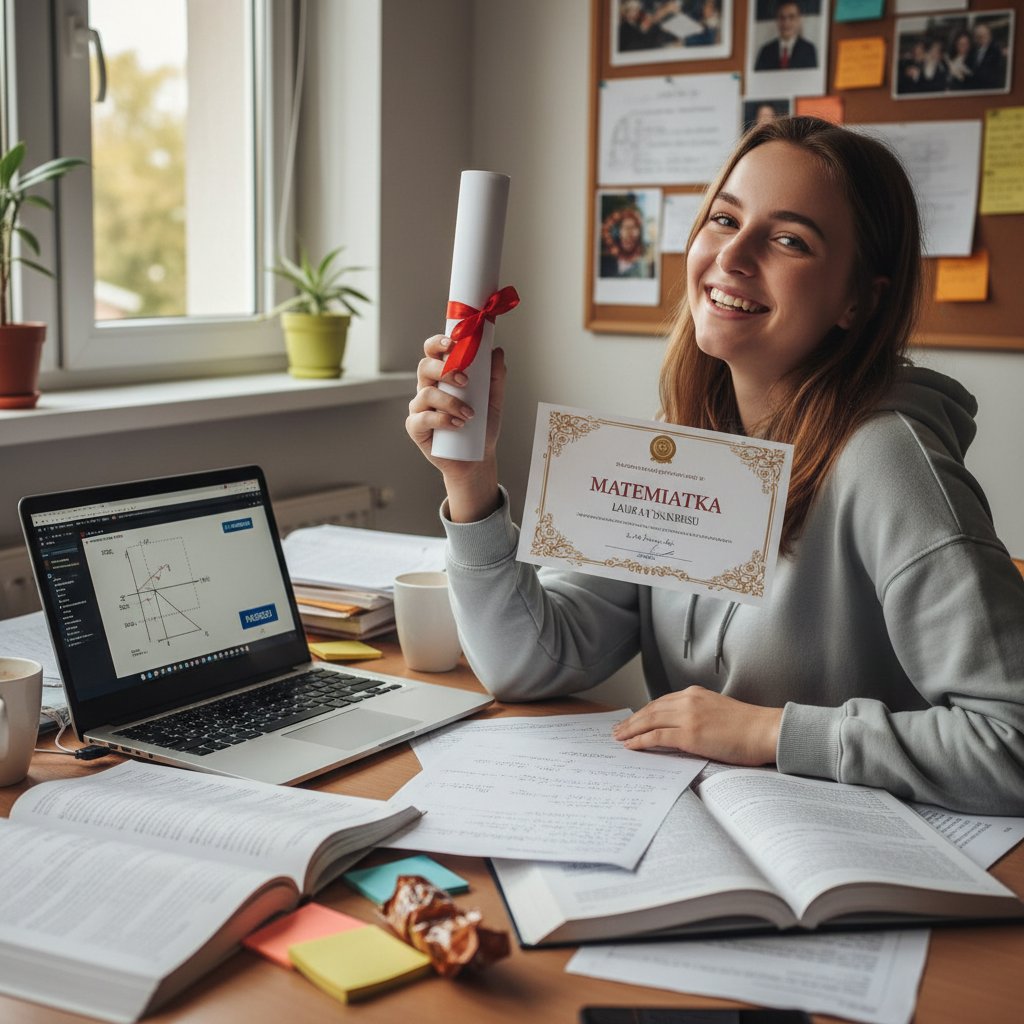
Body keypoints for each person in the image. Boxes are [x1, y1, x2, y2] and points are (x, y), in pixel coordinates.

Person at [405, 116, 1024, 815]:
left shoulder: (889, 463)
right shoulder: (681, 444)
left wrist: (770, 731)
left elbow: (1012, 743)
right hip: (705, 832)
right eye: (724, 219)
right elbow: (528, 663)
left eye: (790, 239)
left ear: (861, 298)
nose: (734, 256)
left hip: (862, 865)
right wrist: (471, 483)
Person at [754, 1, 818, 71]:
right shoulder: (765, 51)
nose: (786, 22)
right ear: (777, 20)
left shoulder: (808, 50)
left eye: (791, 17)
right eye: (782, 17)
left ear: (799, 20)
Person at [599, 206, 653, 278]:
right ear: (617, 232)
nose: (629, 233)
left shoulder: (645, 265)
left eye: (633, 227)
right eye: (625, 227)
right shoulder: (605, 263)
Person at [967, 22, 1006, 92]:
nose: (981, 38)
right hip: (974, 89)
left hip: (990, 89)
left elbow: (996, 74)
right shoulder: (972, 51)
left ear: (990, 35)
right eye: (978, 36)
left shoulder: (996, 51)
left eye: (984, 35)